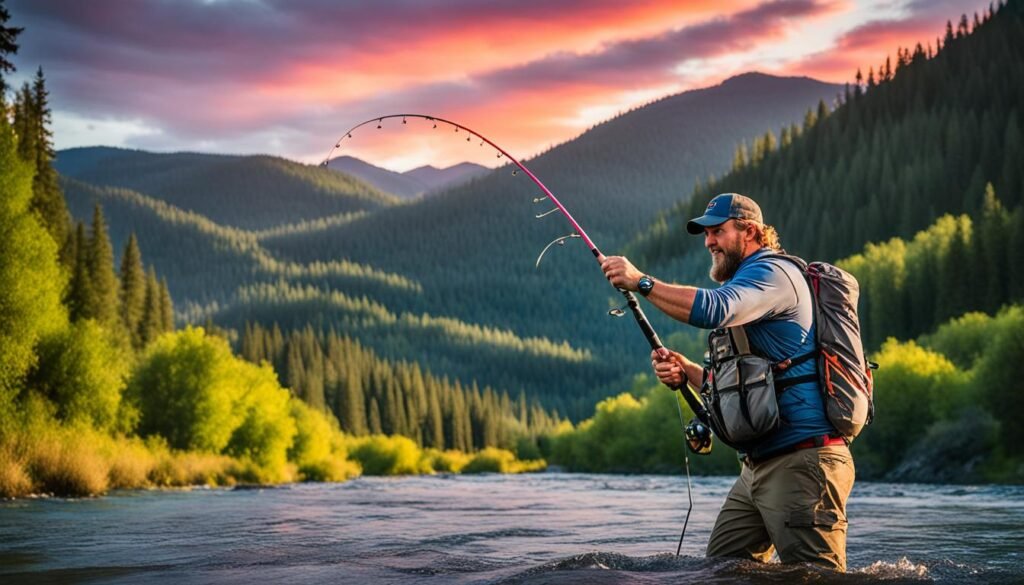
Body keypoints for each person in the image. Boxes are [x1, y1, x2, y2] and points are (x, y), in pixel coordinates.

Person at [600, 192, 855, 572]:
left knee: (816, 578)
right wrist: (687, 369)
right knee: (723, 572)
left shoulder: (773, 274)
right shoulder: (751, 285)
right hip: (757, 468)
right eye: (706, 235)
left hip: (804, 461)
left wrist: (642, 282)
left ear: (749, 231)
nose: (709, 243)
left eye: (718, 232)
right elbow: (747, 386)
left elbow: (715, 308)